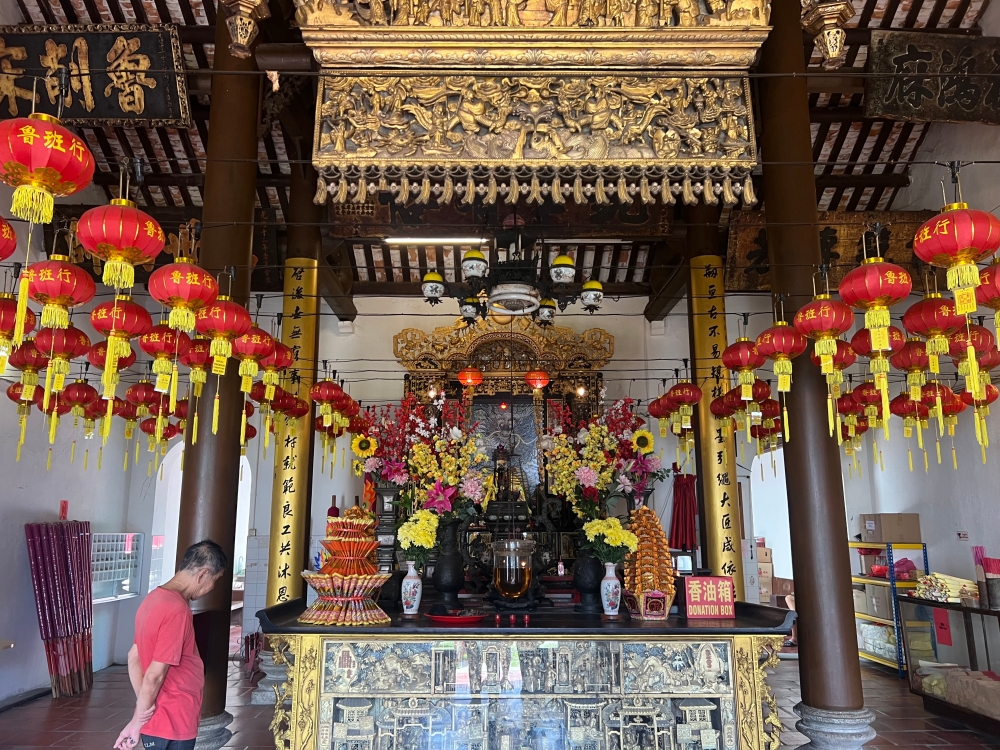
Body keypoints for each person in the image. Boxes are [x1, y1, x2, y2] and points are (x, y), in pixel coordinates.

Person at [114, 540, 228, 750]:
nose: (212, 587)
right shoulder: (177, 610)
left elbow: (133, 657)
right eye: (215, 580)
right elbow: (154, 675)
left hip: (158, 718)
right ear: (203, 574)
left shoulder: (152, 599)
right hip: (174, 717)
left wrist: (143, 709)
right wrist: (138, 720)